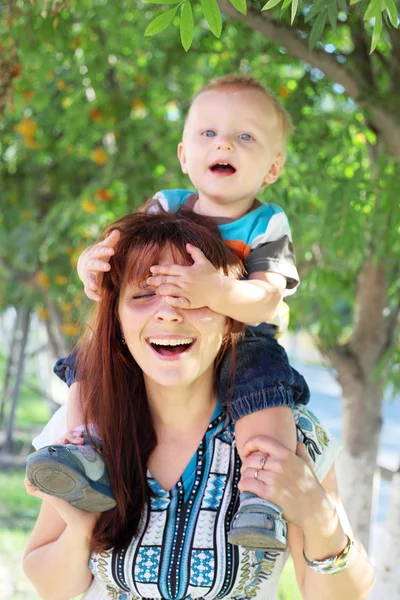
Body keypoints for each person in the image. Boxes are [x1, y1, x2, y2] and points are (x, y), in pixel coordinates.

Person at [24, 210, 374, 600]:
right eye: (142, 295)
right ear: (117, 319)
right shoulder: (84, 427)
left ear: (231, 319)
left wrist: (318, 516)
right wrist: (79, 529)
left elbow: (344, 595)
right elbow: (51, 587)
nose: (168, 312)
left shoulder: (285, 432)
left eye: (191, 297)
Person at [27, 73, 310, 551]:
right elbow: (115, 252)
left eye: (246, 136)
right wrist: (89, 263)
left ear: (272, 168)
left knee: (265, 387)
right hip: (174, 325)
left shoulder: (267, 221)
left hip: (243, 335)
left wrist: (216, 289)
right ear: (184, 156)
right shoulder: (165, 205)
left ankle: (263, 495)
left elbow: (266, 299)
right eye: (209, 133)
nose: (225, 144)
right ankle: (84, 448)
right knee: (91, 356)